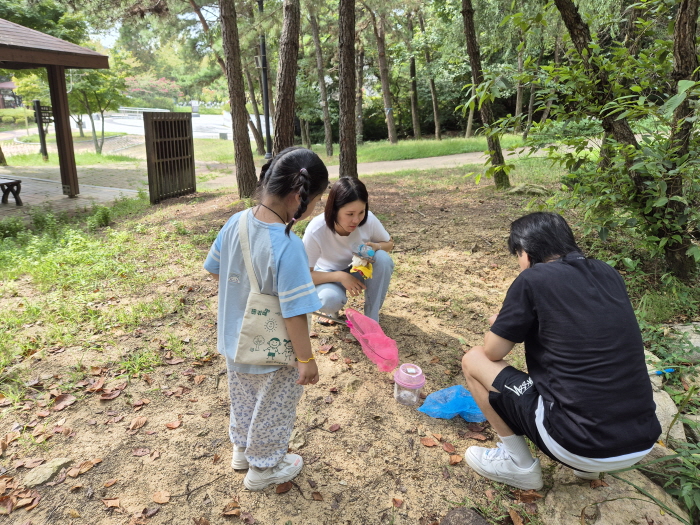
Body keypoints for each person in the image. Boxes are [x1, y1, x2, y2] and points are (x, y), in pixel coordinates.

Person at [461, 212, 661, 490]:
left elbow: (493, 351)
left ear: (526, 252)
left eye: (517, 256)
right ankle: (588, 473)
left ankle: (518, 464)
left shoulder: (532, 279)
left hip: (577, 444)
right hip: (641, 440)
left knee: (473, 359)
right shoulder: (608, 272)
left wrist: (499, 324)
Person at [204, 147, 328, 491]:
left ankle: (242, 452)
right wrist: (306, 360)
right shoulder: (288, 246)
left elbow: (214, 269)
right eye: (315, 200)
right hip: (272, 352)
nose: (314, 208)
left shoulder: (236, 221)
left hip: (234, 341)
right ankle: (264, 468)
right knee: (273, 408)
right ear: (297, 196)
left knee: (243, 399)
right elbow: (294, 313)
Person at [303, 177, 394, 323]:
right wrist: (340, 276)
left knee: (383, 259)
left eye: (361, 212)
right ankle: (332, 311)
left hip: (358, 269)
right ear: (334, 210)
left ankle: (371, 318)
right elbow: (304, 276)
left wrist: (377, 247)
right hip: (328, 273)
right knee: (328, 300)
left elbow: (389, 244)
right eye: (350, 214)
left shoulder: (368, 220)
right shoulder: (316, 229)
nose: (356, 220)